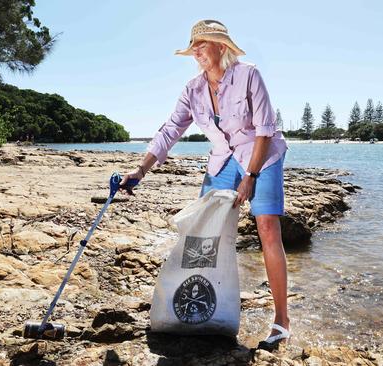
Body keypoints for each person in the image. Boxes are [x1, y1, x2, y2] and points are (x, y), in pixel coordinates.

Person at [120, 19, 290, 347]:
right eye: (193, 46)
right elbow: (170, 129)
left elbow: (265, 129)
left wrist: (251, 177)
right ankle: (202, 307)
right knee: (203, 232)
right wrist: (140, 170)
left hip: (262, 156)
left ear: (221, 47)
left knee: (267, 228)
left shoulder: (248, 74)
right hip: (223, 159)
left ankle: (282, 321)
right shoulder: (192, 89)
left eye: (202, 44)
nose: (196, 51)